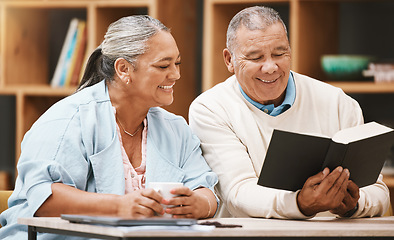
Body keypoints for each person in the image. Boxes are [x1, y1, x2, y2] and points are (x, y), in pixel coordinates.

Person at [0, 15, 218, 239]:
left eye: (177, 64)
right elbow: (44, 197)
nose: (175, 74)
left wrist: (199, 204)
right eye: (164, 65)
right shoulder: (68, 119)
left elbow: (206, 190)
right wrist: (119, 206)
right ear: (124, 69)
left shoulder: (176, 129)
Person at [188, 6, 390, 219]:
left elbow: (379, 192)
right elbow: (237, 194)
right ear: (230, 60)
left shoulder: (338, 102)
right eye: (256, 57)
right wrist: (300, 204)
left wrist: (353, 205)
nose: (270, 67)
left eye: (279, 53)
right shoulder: (210, 108)